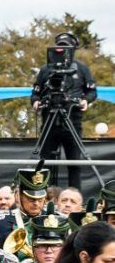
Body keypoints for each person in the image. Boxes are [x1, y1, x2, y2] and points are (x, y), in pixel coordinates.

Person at [30, 32, 97, 191]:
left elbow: (92, 92)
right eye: (59, 46)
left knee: (74, 163)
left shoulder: (81, 68)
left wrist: (85, 101)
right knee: (44, 163)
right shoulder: (46, 69)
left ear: (73, 49)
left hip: (72, 119)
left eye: (66, 47)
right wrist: (36, 101)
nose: (62, 50)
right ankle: (43, 198)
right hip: (49, 119)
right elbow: (35, 92)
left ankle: (74, 200)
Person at [0, 165, 50, 250]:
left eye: (40, 199)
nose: (36, 203)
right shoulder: (2, 225)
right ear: (17, 196)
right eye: (30, 199)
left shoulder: (55, 222)